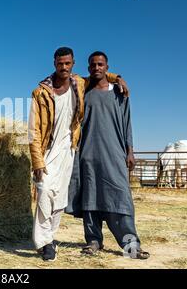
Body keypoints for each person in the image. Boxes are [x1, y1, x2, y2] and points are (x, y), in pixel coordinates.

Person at [28, 47, 129, 261]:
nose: (63, 67)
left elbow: (99, 74)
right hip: (47, 149)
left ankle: (49, 242)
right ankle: (43, 240)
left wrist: (118, 78)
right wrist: (37, 160)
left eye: (67, 63)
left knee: (60, 197)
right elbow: (33, 130)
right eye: (59, 63)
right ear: (54, 63)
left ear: (73, 64)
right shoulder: (41, 92)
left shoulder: (78, 84)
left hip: (70, 149)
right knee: (44, 190)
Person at [68, 51, 149, 259]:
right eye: (93, 65)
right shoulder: (83, 92)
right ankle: (93, 241)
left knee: (121, 199)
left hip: (114, 154)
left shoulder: (120, 92)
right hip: (88, 154)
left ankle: (131, 245)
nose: (97, 68)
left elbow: (127, 123)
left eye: (100, 64)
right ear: (88, 68)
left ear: (107, 67)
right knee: (90, 200)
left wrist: (129, 151)